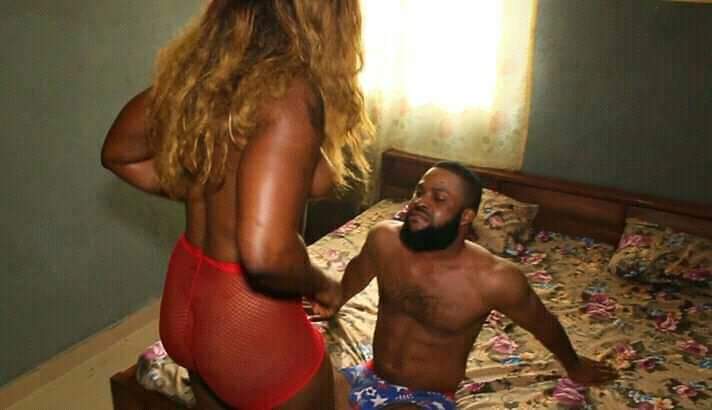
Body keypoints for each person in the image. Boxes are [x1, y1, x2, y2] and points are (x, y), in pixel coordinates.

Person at [101, 1, 373, 408]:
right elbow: (266, 254)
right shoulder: (291, 95)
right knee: (337, 395)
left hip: (187, 295)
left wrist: (199, 188)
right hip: (243, 314)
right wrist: (323, 284)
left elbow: (120, 154)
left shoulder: (206, 80)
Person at [311, 162, 618, 410]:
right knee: (301, 380)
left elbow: (543, 323)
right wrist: (335, 301)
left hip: (424, 397)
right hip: (369, 373)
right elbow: (358, 272)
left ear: (466, 216)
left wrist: (574, 366)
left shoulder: (495, 279)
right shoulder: (384, 239)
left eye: (439, 198)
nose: (420, 201)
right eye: (420, 191)